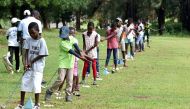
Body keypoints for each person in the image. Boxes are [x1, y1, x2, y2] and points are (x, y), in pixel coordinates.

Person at [45, 26, 86, 102]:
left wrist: (81, 54)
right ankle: (49, 91)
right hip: (63, 64)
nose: (63, 37)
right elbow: (71, 51)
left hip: (70, 63)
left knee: (70, 80)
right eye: (62, 36)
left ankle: (68, 95)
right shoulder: (62, 43)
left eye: (64, 35)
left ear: (68, 34)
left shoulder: (72, 39)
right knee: (60, 79)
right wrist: (81, 57)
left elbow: (75, 46)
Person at [15, 22, 48, 109]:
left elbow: (43, 54)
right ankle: (21, 104)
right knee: (24, 82)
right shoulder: (28, 40)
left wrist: (31, 61)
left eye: (33, 32)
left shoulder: (42, 41)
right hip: (29, 67)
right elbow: (25, 52)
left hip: (38, 67)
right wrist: (25, 63)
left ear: (38, 31)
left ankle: (37, 104)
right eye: (30, 33)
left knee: (36, 85)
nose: (32, 34)